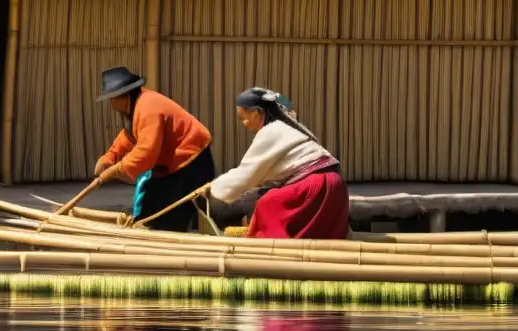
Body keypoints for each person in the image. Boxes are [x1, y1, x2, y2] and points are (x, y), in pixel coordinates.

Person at [207, 87, 349, 239]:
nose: (244, 123)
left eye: (243, 118)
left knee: (266, 203)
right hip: (335, 185)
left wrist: (214, 188)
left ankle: (271, 247)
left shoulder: (270, 132)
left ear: (256, 112)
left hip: (315, 186)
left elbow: (246, 175)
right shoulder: (287, 127)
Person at [92, 66, 215, 232]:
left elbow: (145, 152)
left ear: (123, 96)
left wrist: (116, 170)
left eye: (111, 98)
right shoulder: (137, 105)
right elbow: (129, 136)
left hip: (190, 162)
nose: (111, 103)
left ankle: (171, 251)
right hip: (170, 165)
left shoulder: (148, 106)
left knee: (171, 217)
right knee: (149, 211)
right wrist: (110, 157)